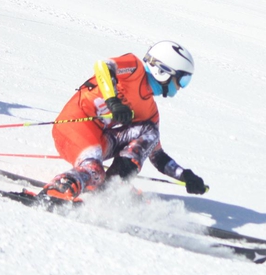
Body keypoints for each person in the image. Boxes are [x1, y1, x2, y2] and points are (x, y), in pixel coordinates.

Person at [42, 40, 207, 202]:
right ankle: (61, 188)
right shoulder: (134, 69)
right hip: (71, 127)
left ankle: (112, 186)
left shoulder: (149, 110)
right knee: (95, 171)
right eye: (182, 80)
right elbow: (103, 66)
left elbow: (156, 154)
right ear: (163, 71)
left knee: (150, 131)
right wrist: (112, 101)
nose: (180, 87)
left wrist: (185, 175)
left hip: (100, 140)